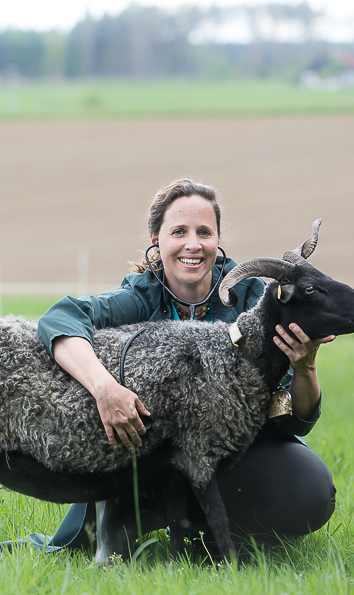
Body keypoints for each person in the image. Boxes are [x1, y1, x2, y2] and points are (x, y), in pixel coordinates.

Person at [17, 178, 337, 561]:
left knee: (310, 491)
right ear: (156, 239)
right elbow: (61, 319)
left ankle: (214, 531)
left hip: (239, 452)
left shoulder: (254, 298)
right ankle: (142, 524)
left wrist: (306, 367)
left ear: (217, 239)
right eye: (179, 232)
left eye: (204, 232)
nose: (193, 244)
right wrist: (104, 388)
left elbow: (293, 421)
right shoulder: (139, 296)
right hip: (151, 459)